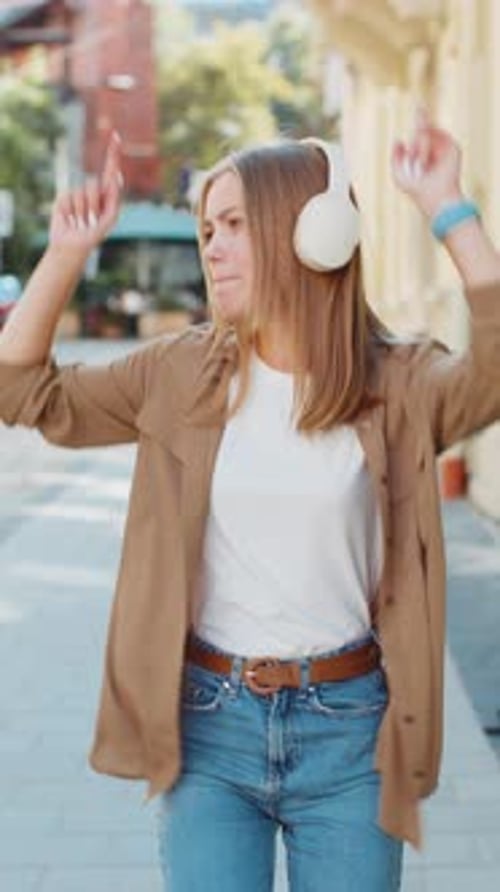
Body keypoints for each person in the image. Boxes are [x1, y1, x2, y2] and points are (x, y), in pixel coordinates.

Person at [0, 112, 499, 892]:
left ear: (314, 235)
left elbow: (491, 373)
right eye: (208, 228)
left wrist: (450, 209)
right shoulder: (179, 371)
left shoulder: (396, 384)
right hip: (209, 728)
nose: (214, 245)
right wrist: (65, 253)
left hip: (351, 736)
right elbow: (23, 392)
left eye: (234, 224)